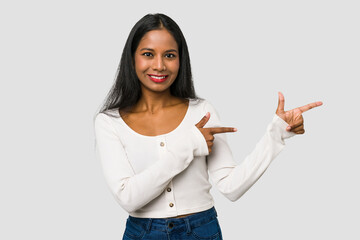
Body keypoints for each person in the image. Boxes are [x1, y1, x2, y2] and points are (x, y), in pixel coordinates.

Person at [94, 13, 323, 240]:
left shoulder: (202, 111)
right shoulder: (109, 122)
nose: (159, 65)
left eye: (170, 55)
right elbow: (128, 198)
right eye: (148, 54)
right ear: (132, 58)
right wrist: (190, 144)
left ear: (181, 60)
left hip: (201, 231)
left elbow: (231, 187)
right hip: (142, 233)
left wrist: (276, 134)